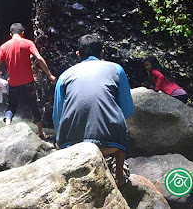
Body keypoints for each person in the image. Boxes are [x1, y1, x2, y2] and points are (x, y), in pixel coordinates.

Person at [52, 34, 134, 187]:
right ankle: (119, 174)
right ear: (102, 52)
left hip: (72, 145)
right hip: (112, 145)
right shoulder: (117, 69)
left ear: (78, 54)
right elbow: (128, 110)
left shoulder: (64, 76)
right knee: (120, 127)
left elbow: (58, 117)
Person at [0, 22, 56, 138]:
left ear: (10, 34)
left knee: (11, 106)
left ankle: (7, 127)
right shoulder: (28, 43)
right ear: (23, 33)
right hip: (28, 82)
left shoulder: (4, 46)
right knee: (33, 105)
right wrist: (49, 75)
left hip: (13, 83)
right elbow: (39, 58)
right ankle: (41, 132)